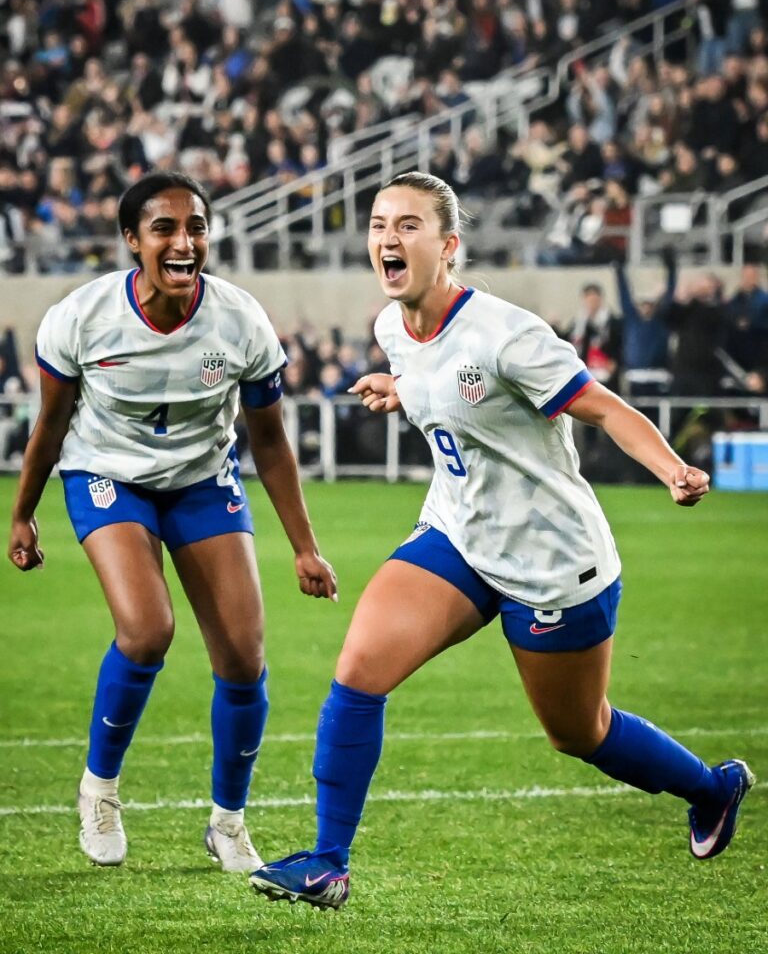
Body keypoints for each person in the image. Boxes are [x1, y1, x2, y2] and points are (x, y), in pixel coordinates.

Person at [249, 172, 755, 910]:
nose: (387, 238)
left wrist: (672, 467)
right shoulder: (394, 327)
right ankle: (328, 864)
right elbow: (435, 384)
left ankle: (713, 789)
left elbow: (606, 410)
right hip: (458, 534)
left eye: (409, 225)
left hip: (552, 563)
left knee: (580, 732)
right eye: (378, 223)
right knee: (358, 672)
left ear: (448, 246)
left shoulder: (507, 336)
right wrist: (400, 391)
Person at [7, 171, 337, 872]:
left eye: (196, 228)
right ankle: (98, 789)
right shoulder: (81, 317)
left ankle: (227, 821)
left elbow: (271, 442)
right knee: (148, 629)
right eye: (164, 228)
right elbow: (52, 423)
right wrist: (23, 515)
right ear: (132, 240)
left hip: (200, 481)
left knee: (245, 659)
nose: (184, 242)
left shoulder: (241, 320)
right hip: (107, 476)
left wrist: (305, 548)